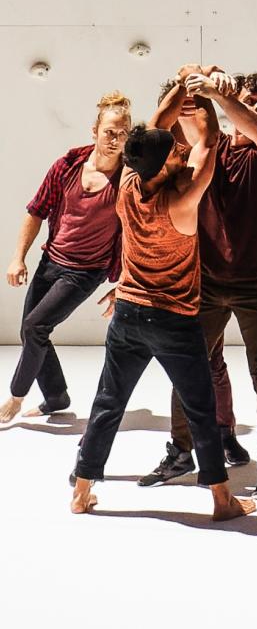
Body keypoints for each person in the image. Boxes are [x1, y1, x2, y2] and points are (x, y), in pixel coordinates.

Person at [70, 88, 257, 521]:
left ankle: (81, 491)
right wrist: (204, 93)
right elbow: (209, 141)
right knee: (201, 410)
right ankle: (222, 500)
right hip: (174, 321)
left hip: (129, 315)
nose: (179, 150)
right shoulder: (183, 200)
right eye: (174, 151)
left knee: (107, 403)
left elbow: (155, 126)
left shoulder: (128, 184)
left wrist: (180, 83)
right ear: (165, 164)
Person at [142, 70, 257, 498]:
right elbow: (175, 123)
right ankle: (179, 451)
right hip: (206, 282)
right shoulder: (210, 150)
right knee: (185, 366)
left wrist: (223, 95)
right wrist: (203, 81)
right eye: (251, 98)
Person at [2, 92, 131, 425]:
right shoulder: (67, 165)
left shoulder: (129, 180)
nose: (116, 140)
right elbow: (36, 211)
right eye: (110, 132)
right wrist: (18, 258)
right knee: (31, 330)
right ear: (95, 130)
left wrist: (126, 283)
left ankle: (15, 398)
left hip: (86, 271)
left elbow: (138, 234)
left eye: (123, 133)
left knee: (35, 326)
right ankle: (57, 397)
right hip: (51, 261)